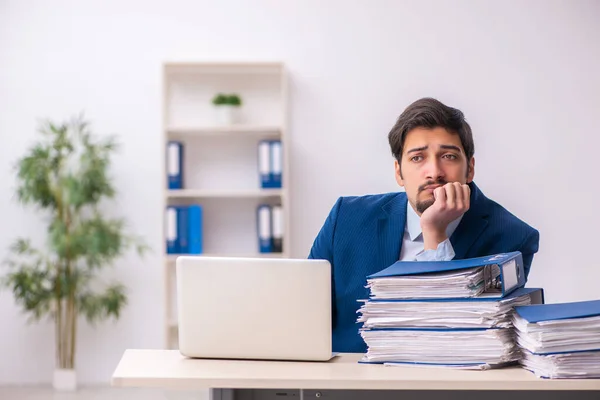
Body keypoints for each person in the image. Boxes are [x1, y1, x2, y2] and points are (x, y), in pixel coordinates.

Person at [308, 97, 540, 353]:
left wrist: (435, 234)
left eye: (449, 156)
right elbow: (301, 315)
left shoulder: (512, 238)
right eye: (418, 158)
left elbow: (459, 343)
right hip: (351, 384)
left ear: (470, 169)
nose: (434, 171)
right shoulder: (346, 219)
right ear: (399, 173)